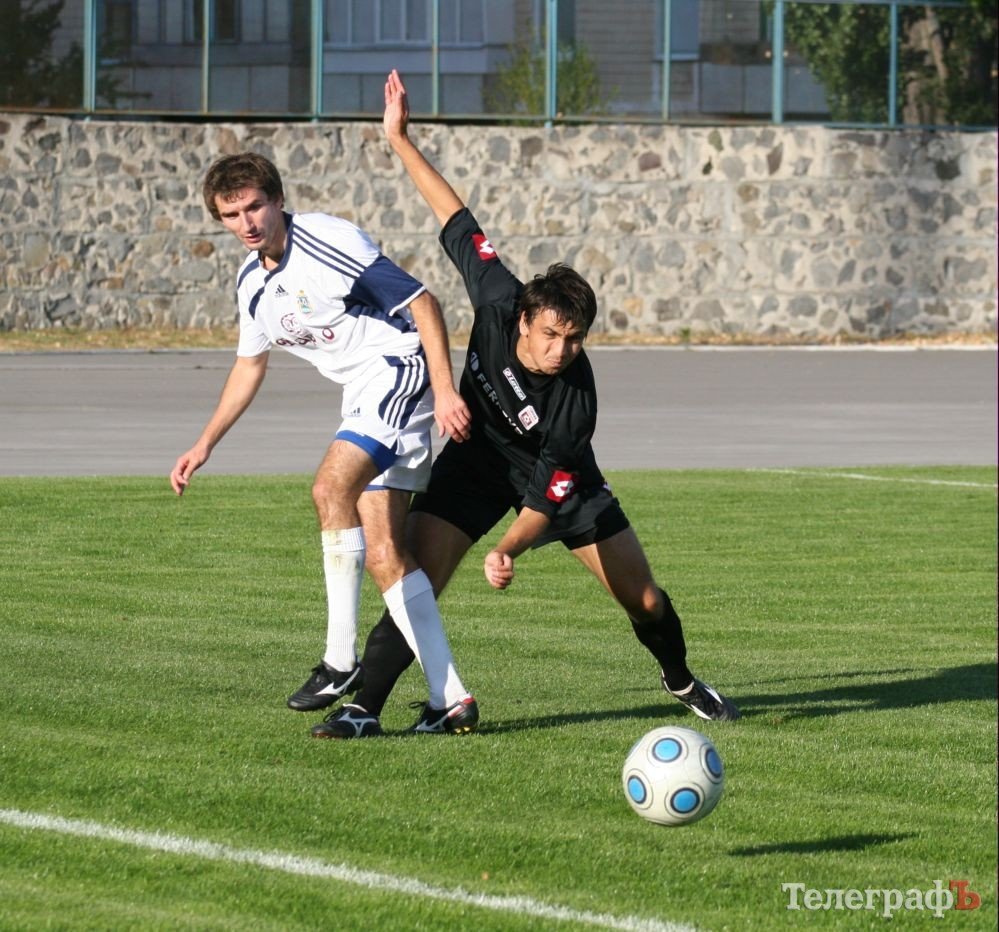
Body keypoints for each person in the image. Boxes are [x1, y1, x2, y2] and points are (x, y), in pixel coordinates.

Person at [310, 70, 738, 740]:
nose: (561, 350)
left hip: (554, 485)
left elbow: (544, 499)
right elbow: (453, 215)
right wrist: (398, 140)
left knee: (644, 598)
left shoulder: (574, 400)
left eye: (574, 339)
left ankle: (679, 677)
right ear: (524, 319)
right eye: (550, 335)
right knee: (413, 576)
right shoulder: (496, 294)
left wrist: (506, 549)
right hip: (477, 462)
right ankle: (364, 706)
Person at [169, 150, 479, 737]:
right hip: (364, 393)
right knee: (386, 553)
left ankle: (340, 659)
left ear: (278, 200)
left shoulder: (327, 242)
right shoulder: (252, 283)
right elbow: (248, 366)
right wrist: (205, 442)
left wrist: (444, 389)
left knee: (329, 488)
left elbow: (423, 303)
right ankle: (452, 697)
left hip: (398, 372)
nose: (248, 222)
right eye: (232, 214)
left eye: (255, 206)